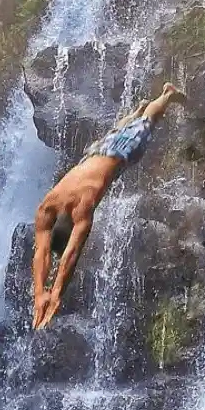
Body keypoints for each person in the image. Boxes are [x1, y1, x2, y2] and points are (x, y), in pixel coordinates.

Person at [31, 82, 186, 330]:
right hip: (93, 154)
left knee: (149, 121)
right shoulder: (47, 207)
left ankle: (166, 94)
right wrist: (40, 293)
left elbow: (71, 253)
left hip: (120, 154)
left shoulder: (83, 207)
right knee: (115, 133)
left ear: (69, 227)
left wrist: (57, 292)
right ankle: (134, 114)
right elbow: (42, 252)